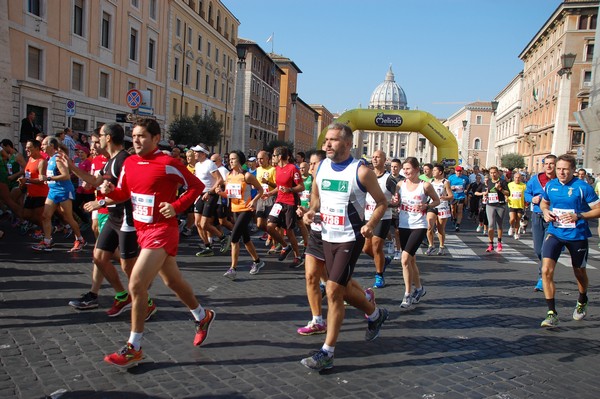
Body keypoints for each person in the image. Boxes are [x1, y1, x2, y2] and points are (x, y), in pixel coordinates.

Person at [101, 118, 215, 368]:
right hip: (143, 231)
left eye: (142, 136)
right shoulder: (129, 162)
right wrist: (108, 191)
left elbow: (195, 187)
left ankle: (135, 346)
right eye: (135, 136)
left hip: (163, 231)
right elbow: (123, 194)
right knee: (172, 280)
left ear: (155, 138)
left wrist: (175, 207)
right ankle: (202, 315)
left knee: (137, 283)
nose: (137, 140)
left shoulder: (168, 164)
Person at [301, 123, 389, 372]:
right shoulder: (320, 166)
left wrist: (371, 223)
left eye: (333, 140)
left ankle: (327, 353)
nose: (326, 144)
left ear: (348, 144)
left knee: (332, 291)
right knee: (344, 289)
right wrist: (310, 213)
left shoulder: (361, 172)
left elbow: (383, 202)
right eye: (326, 140)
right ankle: (374, 314)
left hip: (349, 238)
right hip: (325, 236)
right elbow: (316, 199)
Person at [62, 124, 149, 318]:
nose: (97, 139)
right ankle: (122, 295)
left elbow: (128, 193)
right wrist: (71, 166)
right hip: (113, 216)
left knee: (127, 266)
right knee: (99, 257)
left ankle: (147, 302)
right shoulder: (110, 161)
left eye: (100, 136)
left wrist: (99, 201)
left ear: (108, 137)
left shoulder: (124, 160)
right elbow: (94, 181)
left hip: (127, 217)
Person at [539, 154, 600, 328]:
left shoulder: (583, 187)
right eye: (559, 169)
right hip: (555, 232)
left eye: (565, 169)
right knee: (546, 270)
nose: (561, 172)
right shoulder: (551, 185)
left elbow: (598, 209)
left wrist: (579, 215)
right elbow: (545, 203)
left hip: (577, 236)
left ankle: (582, 298)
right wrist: (545, 212)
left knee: (579, 273)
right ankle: (552, 313)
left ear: (573, 169)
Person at [394, 157, 440, 309]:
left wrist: (426, 205)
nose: (405, 171)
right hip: (404, 224)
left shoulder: (425, 185)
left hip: (419, 225)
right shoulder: (400, 184)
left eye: (408, 169)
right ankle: (419, 289)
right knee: (411, 260)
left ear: (416, 169)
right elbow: (396, 201)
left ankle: (407, 294)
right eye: (404, 169)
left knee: (405, 259)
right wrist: (394, 201)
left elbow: (437, 201)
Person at [32, 137, 85, 252]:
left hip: (63, 191)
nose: (42, 147)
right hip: (53, 191)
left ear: (51, 145)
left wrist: (48, 178)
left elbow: (66, 175)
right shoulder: (50, 158)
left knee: (67, 217)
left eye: (44, 144)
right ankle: (47, 241)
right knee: (45, 216)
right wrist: (48, 180)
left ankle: (80, 239)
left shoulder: (58, 158)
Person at [219, 150, 265, 279]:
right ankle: (258, 261)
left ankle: (232, 268)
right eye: (230, 159)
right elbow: (229, 194)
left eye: (233, 159)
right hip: (234, 210)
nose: (230, 161)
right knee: (246, 239)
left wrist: (254, 201)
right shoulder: (228, 175)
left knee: (234, 238)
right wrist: (219, 192)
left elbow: (260, 190)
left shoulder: (247, 176)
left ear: (240, 160)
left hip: (246, 210)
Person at [265, 146, 304, 267]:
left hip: (290, 202)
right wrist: (269, 193)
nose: (273, 158)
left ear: (280, 156)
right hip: (279, 202)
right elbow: (279, 186)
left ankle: (298, 256)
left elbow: (301, 187)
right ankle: (285, 246)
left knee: (289, 231)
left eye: (274, 156)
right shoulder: (276, 169)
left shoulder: (292, 168)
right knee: (270, 227)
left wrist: (290, 189)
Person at [525, 154, 557, 292]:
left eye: (552, 164)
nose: (549, 166)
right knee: (538, 250)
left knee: (546, 249)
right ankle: (545, 273)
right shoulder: (535, 179)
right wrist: (532, 199)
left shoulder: (559, 181)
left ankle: (543, 277)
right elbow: (526, 193)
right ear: (543, 165)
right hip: (537, 215)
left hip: (552, 219)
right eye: (547, 163)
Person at [362, 150, 394, 288]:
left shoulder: (389, 178)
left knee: (376, 247)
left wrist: (392, 202)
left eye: (378, 157)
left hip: (383, 217)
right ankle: (384, 260)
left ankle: (379, 276)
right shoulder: (367, 175)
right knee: (366, 249)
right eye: (373, 157)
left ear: (384, 160)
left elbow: (398, 197)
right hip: (367, 216)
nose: (374, 159)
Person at [192, 143, 230, 257]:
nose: (194, 153)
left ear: (203, 153)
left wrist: (209, 192)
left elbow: (220, 180)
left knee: (204, 224)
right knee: (197, 223)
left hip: (211, 195)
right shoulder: (198, 165)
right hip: (201, 195)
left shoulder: (210, 164)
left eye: (196, 152)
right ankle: (208, 247)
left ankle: (223, 238)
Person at [17, 140, 48, 230]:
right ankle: (46, 229)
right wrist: (23, 182)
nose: (26, 149)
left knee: (38, 216)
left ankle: (47, 234)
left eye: (29, 147)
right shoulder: (30, 159)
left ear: (37, 148)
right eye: (26, 147)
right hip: (31, 193)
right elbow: (28, 174)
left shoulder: (42, 162)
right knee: (26, 215)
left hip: (41, 194)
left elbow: (42, 180)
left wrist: (26, 180)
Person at [426, 164, 453, 255]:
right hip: (432, 206)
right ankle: (431, 245)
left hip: (442, 207)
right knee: (429, 226)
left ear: (440, 172)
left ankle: (441, 246)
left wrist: (444, 197)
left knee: (440, 229)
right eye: (432, 170)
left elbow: (451, 196)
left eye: (434, 170)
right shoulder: (430, 181)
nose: (433, 172)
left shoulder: (445, 182)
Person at [483, 166, 510, 252]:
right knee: (490, 225)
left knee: (499, 224)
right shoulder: (489, 182)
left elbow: (508, 193)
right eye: (491, 173)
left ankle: (499, 242)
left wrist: (500, 189)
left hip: (500, 205)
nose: (493, 174)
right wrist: (485, 194)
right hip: (490, 205)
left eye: (494, 172)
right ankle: (490, 244)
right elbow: (489, 191)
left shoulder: (502, 182)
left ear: (498, 173)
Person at [255, 150, 277, 243]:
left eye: (261, 159)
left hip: (270, 197)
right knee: (259, 224)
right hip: (261, 197)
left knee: (270, 223)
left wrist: (267, 182)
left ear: (267, 159)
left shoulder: (273, 170)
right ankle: (270, 234)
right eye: (258, 159)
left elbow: (277, 186)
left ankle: (274, 242)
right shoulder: (258, 169)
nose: (259, 161)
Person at [388, 158, 404, 260]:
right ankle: (390, 241)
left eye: (396, 167)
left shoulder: (403, 180)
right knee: (386, 230)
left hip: (398, 208)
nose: (394, 169)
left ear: (400, 167)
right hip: (387, 207)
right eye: (392, 167)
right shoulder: (387, 178)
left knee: (397, 231)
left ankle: (398, 250)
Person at [448, 165, 469, 232]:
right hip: (453, 195)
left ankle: (458, 224)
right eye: (458, 171)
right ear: (455, 171)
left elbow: (468, 184)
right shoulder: (451, 177)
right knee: (453, 210)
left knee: (460, 210)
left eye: (460, 171)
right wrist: (451, 188)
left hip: (461, 195)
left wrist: (466, 189)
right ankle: (454, 218)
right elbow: (447, 186)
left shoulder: (465, 178)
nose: (459, 172)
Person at [507, 171, 526, 240]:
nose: (517, 179)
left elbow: (526, 195)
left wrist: (526, 202)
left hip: (520, 205)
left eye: (519, 178)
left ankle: (516, 233)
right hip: (512, 204)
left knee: (518, 220)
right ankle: (511, 226)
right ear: (513, 178)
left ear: (521, 178)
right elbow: (506, 193)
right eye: (516, 177)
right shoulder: (510, 185)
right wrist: (506, 198)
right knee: (512, 219)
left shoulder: (523, 186)